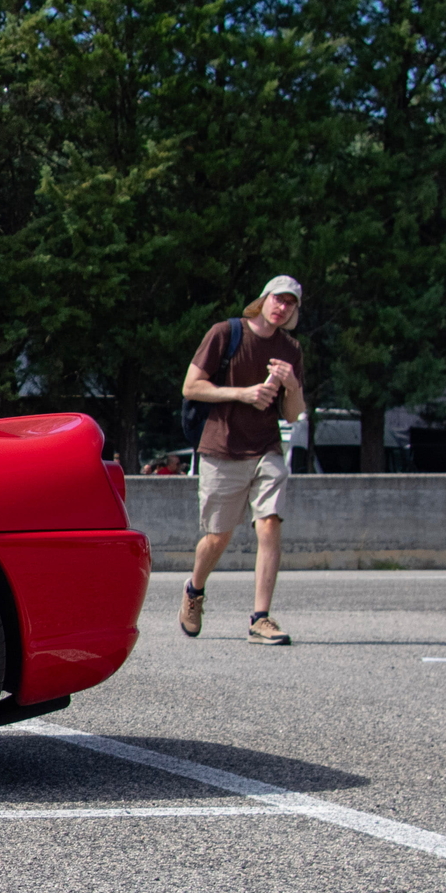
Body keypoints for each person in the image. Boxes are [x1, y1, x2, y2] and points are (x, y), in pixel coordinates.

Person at [179, 275, 306, 644]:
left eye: (290, 304)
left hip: (266, 447)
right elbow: (191, 386)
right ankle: (194, 590)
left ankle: (260, 618)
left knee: (269, 525)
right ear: (264, 299)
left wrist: (293, 384)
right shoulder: (225, 333)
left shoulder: (291, 349)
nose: (282, 308)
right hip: (222, 447)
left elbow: (294, 415)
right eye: (278, 300)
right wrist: (244, 394)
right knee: (218, 537)